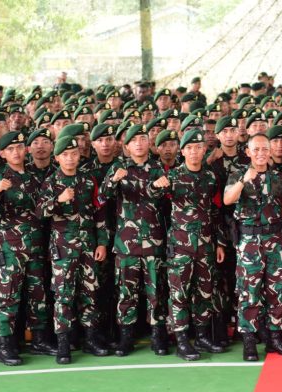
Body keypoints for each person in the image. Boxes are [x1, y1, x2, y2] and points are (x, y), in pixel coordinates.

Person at [148, 128, 227, 361]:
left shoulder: (211, 177)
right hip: (180, 246)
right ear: (182, 151)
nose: (194, 152)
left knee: (204, 292)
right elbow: (153, 202)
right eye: (189, 148)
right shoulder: (172, 177)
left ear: (205, 150)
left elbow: (216, 211)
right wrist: (154, 186)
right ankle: (182, 340)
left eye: (198, 148)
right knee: (179, 294)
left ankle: (202, 336)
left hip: (205, 244)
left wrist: (220, 242)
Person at [0, 132, 53, 365]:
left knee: (38, 293)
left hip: (35, 243)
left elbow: (43, 206)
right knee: (9, 294)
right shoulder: (0, 177)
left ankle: (39, 340)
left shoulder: (34, 175)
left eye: (20, 147)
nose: (16, 152)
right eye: (10, 149)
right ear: (2, 153)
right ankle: (6, 345)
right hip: (11, 247)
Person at [100, 124, 172, 357]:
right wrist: (113, 180)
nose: (139, 143)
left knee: (156, 292)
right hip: (127, 243)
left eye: (143, 139)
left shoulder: (158, 167)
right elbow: (102, 197)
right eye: (134, 140)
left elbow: (169, 201)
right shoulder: (118, 167)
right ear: (126, 145)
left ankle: (158, 336)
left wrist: (161, 187)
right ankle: (126, 338)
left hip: (154, 241)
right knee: (126, 293)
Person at [223, 133, 282, 361]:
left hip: (275, 239)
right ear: (248, 152)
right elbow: (228, 200)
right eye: (256, 149)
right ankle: (249, 340)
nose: (261, 153)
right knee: (249, 292)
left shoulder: (278, 177)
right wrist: (244, 179)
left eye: (265, 149)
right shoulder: (237, 174)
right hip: (250, 242)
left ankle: (275, 337)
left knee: (276, 291)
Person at [37, 135, 109, 364]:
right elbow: (40, 213)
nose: (70, 158)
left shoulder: (88, 180)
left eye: (74, 154)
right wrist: (58, 200)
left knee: (90, 293)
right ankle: (63, 344)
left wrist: (102, 242)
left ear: (79, 156)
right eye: (65, 155)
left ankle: (90, 339)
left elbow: (99, 213)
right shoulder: (51, 182)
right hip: (63, 249)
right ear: (57, 157)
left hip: (88, 246)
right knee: (63, 295)